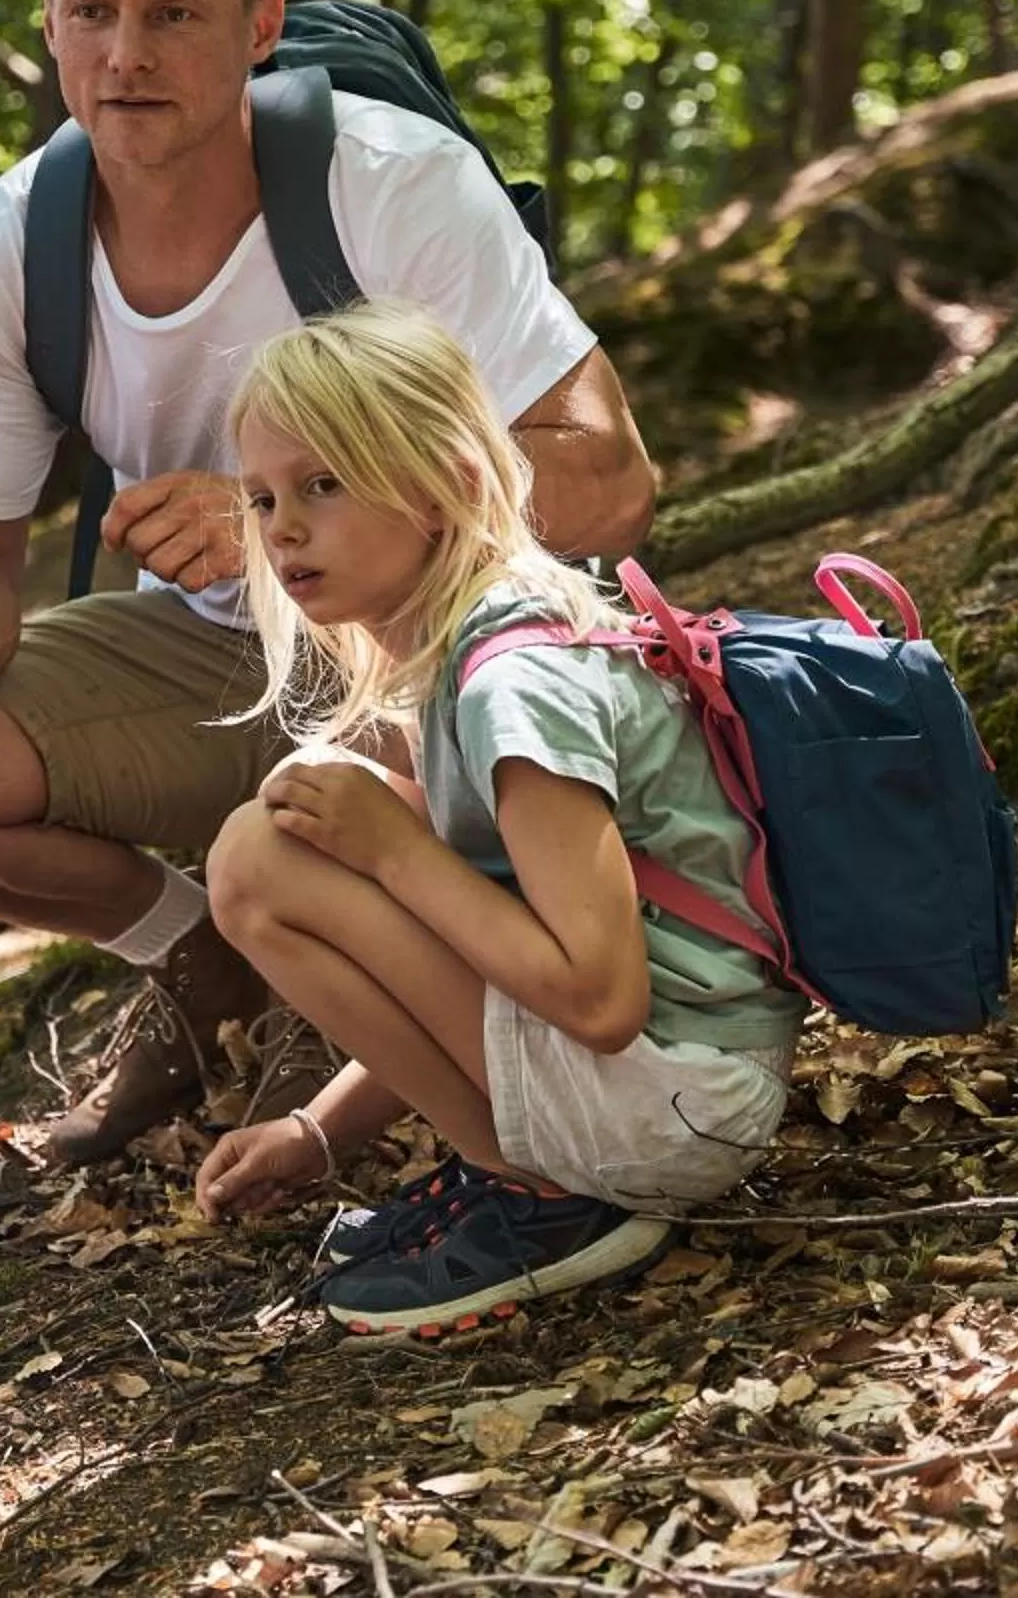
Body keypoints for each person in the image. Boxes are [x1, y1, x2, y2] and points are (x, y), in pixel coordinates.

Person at [0, 0, 656, 1166]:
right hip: (212, 660)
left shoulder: (390, 184)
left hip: (437, 664)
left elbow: (611, 482)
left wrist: (285, 509)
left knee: (353, 807)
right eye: (90, 12)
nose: (125, 57)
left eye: (172, 14)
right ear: (47, 24)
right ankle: (205, 965)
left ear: (261, 26)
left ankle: (389, 1039)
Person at [188, 300, 804, 1337]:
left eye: (323, 484)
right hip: (666, 1086)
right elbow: (459, 970)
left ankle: (543, 1197)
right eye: (260, 498)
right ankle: (520, 1177)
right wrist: (318, 1133)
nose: (282, 526)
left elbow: (599, 998)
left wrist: (393, 849)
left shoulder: (515, 681)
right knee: (319, 814)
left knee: (263, 855)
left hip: (676, 1102)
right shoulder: (469, 654)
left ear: (446, 488)